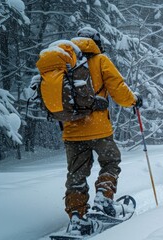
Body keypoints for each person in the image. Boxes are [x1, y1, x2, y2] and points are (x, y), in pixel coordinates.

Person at [62, 27, 142, 235]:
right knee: (110, 162)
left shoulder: (63, 62)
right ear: (96, 42)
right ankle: (104, 198)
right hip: (99, 129)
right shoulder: (100, 61)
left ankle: (77, 217)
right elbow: (118, 89)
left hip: (72, 130)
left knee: (76, 174)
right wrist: (134, 100)